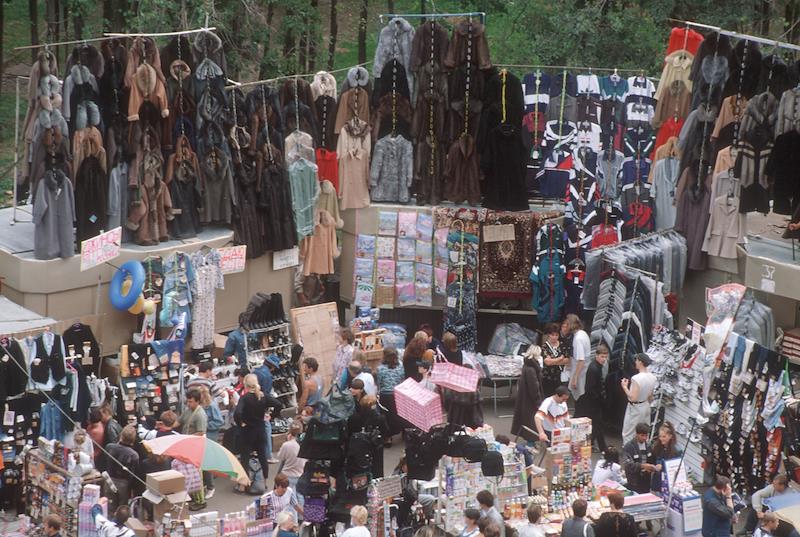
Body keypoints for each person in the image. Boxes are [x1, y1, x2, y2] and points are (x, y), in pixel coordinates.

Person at [234, 374, 283, 492]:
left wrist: (241, 423)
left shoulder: (244, 398)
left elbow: (237, 413)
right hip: (260, 430)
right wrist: (271, 416)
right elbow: (278, 404)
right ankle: (265, 482)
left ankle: (243, 484)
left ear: (245, 384)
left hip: (248, 431)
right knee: (262, 457)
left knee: (245, 457)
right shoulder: (262, 396)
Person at [348, 395, 390, 478]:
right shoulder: (380, 418)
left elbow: (349, 431)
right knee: (377, 469)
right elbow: (386, 431)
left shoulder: (354, 417)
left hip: (358, 448)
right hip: (375, 447)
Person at [577, 343, 608, 451]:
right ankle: (601, 447)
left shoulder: (596, 367)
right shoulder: (594, 369)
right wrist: (599, 399)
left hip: (594, 402)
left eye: (605, 357)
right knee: (597, 424)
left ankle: (596, 445)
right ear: (596, 355)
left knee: (597, 425)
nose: (604, 359)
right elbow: (590, 388)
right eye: (602, 356)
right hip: (593, 403)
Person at [620, 353, 656, 443]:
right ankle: (641, 450)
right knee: (644, 431)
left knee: (628, 433)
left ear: (640, 362)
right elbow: (650, 396)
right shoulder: (653, 377)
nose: (635, 362)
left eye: (636, 360)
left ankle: (627, 452)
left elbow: (633, 398)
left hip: (636, 408)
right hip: (646, 406)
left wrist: (624, 387)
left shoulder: (636, 378)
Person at [512, 345, 544, 441]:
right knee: (532, 423)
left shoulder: (527, 365)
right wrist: (538, 402)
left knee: (527, 422)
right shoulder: (532, 369)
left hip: (526, 399)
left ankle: (530, 442)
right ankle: (531, 443)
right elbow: (534, 387)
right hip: (531, 401)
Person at [253, 354, 280, 463]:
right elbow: (266, 394)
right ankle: (268, 455)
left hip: (251, 403)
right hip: (261, 405)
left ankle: (256, 451)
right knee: (266, 428)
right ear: (272, 367)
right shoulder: (267, 376)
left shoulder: (255, 371)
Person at [105, 425, 139, 510]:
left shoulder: (109, 447)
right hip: (123, 485)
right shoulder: (134, 455)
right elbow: (133, 475)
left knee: (108, 508)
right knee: (121, 510)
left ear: (121, 435)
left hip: (109, 480)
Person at [198, 385, 223, 499]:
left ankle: (210, 486)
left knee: (206, 461)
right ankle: (206, 483)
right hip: (202, 436)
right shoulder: (199, 406)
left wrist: (206, 426)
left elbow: (219, 421)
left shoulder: (212, 406)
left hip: (210, 435)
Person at [377, 347, 405, 444]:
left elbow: (379, 383)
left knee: (386, 416)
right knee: (396, 414)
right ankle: (400, 431)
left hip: (385, 395)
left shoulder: (380, 369)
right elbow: (402, 378)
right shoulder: (400, 366)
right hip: (396, 394)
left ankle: (388, 437)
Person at [622, 423, 656, 494]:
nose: (644, 438)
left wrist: (652, 467)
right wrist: (642, 466)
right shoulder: (629, 447)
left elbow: (653, 460)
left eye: (646, 435)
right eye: (642, 435)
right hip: (634, 482)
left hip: (646, 481)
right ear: (637, 434)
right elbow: (628, 465)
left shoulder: (649, 446)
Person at [564, 314, 591, 401]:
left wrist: (575, 377)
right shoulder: (583, 333)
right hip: (583, 370)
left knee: (579, 398)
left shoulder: (578, 339)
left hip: (580, 373)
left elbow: (581, 360)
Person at [650, 422, 680, 493]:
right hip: (656, 482)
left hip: (668, 484)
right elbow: (653, 460)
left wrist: (662, 466)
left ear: (670, 436)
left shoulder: (676, 451)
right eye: (660, 436)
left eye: (664, 437)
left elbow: (675, 468)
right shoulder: (657, 447)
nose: (661, 439)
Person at [276, 422, 307, 491]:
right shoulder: (305, 445)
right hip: (300, 474)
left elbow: (280, 457)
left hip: (287, 475)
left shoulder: (287, 445)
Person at [542, 322, 569, 396]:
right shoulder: (544, 346)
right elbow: (547, 362)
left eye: (556, 335)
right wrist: (560, 359)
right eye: (552, 335)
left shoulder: (562, 345)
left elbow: (567, 360)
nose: (554, 337)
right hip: (548, 378)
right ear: (548, 335)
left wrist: (553, 361)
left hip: (560, 377)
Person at [98, 404, 122, 471]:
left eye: (101, 414)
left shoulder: (110, 427)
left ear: (106, 413)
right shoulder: (114, 423)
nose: (100, 417)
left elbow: (113, 446)